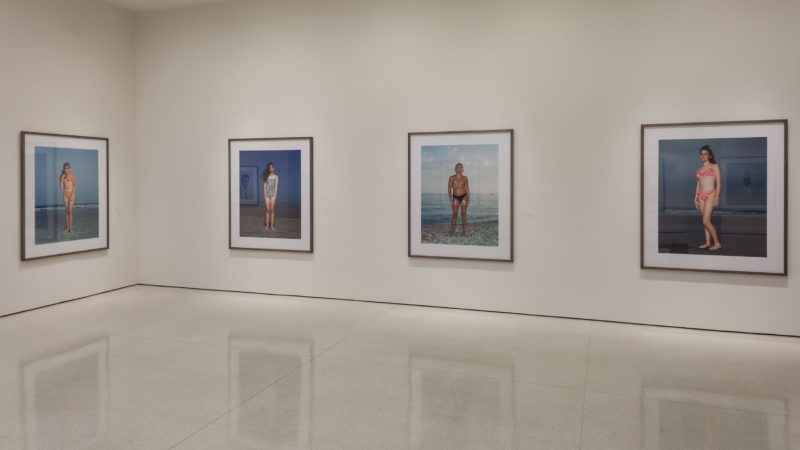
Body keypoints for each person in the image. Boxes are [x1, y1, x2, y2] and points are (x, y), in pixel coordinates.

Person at [694, 145, 722, 250]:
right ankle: (707, 242)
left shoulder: (714, 166)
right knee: (705, 220)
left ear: (709, 156)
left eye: (705, 154)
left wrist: (717, 198)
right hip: (701, 195)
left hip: (710, 194)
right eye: (701, 154)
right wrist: (695, 197)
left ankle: (717, 243)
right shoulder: (699, 169)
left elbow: (719, 184)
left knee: (705, 221)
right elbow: (698, 184)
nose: (703, 156)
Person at [447, 163, 470, 236]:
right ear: (455, 169)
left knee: (464, 215)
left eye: (460, 167)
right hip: (455, 197)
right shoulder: (451, 178)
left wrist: (469, 199)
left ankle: (465, 232)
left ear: (462, 169)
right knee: (454, 215)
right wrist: (450, 200)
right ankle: (452, 231)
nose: (459, 169)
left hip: (464, 197)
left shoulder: (465, 178)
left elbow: (467, 188)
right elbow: (449, 189)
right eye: (457, 167)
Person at [59, 162, 77, 234]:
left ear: (69, 168)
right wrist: (62, 179)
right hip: (65, 194)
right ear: (63, 168)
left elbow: (75, 185)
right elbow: (61, 187)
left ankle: (71, 228)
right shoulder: (62, 176)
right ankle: (67, 228)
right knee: (66, 212)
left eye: (67, 168)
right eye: (65, 168)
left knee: (70, 211)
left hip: (71, 194)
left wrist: (72, 194)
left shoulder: (72, 175)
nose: (66, 169)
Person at [262, 162, 279, 232]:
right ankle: (267, 226)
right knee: (267, 210)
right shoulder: (267, 176)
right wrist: (264, 195)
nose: (271, 168)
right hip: (267, 194)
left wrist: (275, 195)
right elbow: (264, 186)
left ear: (274, 168)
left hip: (273, 195)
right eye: (270, 167)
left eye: (272, 167)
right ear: (269, 169)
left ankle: (272, 226)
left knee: (272, 210)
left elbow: (276, 186)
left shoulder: (276, 177)